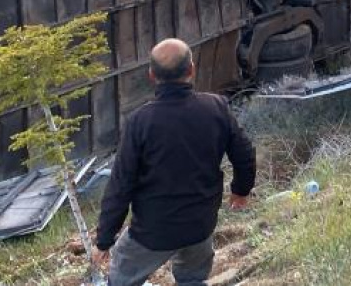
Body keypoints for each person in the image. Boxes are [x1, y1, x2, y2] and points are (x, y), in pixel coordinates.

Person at [94, 39, 256, 286]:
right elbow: (244, 153)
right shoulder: (215, 108)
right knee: (192, 279)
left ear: (151, 75)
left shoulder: (140, 122)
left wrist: (104, 240)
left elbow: (120, 185)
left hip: (152, 233)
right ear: (192, 69)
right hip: (199, 225)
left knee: (121, 278)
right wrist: (240, 191)